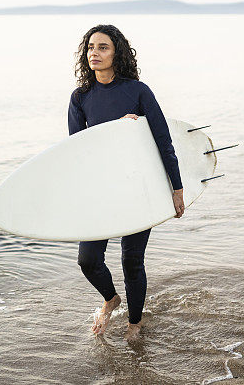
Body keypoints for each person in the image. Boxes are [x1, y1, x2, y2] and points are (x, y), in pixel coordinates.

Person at [68, 24, 185, 341]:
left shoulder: (137, 91)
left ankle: (134, 324)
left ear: (117, 53)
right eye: (91, 47)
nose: (95, 53)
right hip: (100, 189)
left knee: (131, 260)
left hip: (137, 186)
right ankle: (111, 298)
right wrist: (117, 129)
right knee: (88, 260)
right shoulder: (81, 98)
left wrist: (176, 189)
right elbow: (77, 151)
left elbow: (163, 142)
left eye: (103, 47)